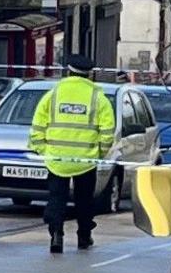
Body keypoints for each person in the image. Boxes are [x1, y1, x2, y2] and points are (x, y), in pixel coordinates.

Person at [30, 49, 117, 255]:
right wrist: (100, 153)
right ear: (89, 74)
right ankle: (84, 236)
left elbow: (37, 126)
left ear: (68, 73)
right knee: (84, 200)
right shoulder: (98, 97)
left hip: (56, 158)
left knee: (56, 198)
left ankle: (56, 234)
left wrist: (44, 150)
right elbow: (107, 131)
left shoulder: (53, 94)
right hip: (85, 160)